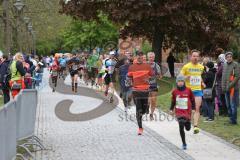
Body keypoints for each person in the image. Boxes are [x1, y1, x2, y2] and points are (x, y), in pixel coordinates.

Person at [127, 51, 153, 135]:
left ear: (143, 57)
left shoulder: (147, 66)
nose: (139, 58)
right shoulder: (132, 67)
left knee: (144, 110)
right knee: (138, 109)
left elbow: (152, 76)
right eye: (138, 56)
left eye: (141, 57)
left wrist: (149, 80)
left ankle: (147, 107)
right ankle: (140, 128)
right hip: (136, 90)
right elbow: (129, 77)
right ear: (136, 57)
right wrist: (129, 84)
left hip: (145, 90)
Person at [181, 50, 204, 134]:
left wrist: (202, 82)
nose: (195, 58)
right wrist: (187, 77)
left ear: (199, 57)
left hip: (197, 90)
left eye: (197, 56)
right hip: (188, 91)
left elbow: (199, 76)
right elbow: (180, 78)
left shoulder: (201, 67)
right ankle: (187, 120)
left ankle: (195, 126)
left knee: (197, 109)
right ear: (191, 57)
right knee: (189, 109)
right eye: (194, 56)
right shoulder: (186, 67)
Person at [170, 75, 195, 150]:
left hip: (187, 111)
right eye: (179, 81)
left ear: (184, 82)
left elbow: (192, 99)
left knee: (187, 128)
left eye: (181, 81)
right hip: (179, 112)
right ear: (177, 82)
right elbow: (173, 101)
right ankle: (184, 143)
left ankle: (188, 122)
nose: (180, 83)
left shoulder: (188, 90)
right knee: (181, 126)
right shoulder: (174, 91)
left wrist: (193, 108)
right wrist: (171, 109)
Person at [222, 52, 239, 125]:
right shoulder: (225, 65)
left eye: (230, 57)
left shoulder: (235, 64)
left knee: (233, 105)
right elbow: (223, 77)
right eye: (227, 57)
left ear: (232, 57)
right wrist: (223, 87)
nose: (229, 58)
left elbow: (237, 77)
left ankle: (234, 120)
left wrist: (229, 86)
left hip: (233, 89)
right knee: (228, 104)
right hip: (226, 89)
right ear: (226, 58)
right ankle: (230, 119)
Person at [147, 52, 162, 121]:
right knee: (148, 100)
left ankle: (151, 114)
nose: (151, 58)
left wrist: (158, 76)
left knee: (153, 100)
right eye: (150, 57)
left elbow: (160, 76)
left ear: (154, 58)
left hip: (154, 85)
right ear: (148, 58)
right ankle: (147, 106)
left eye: (152, 57)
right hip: (146, 85)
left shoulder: (157, 66)